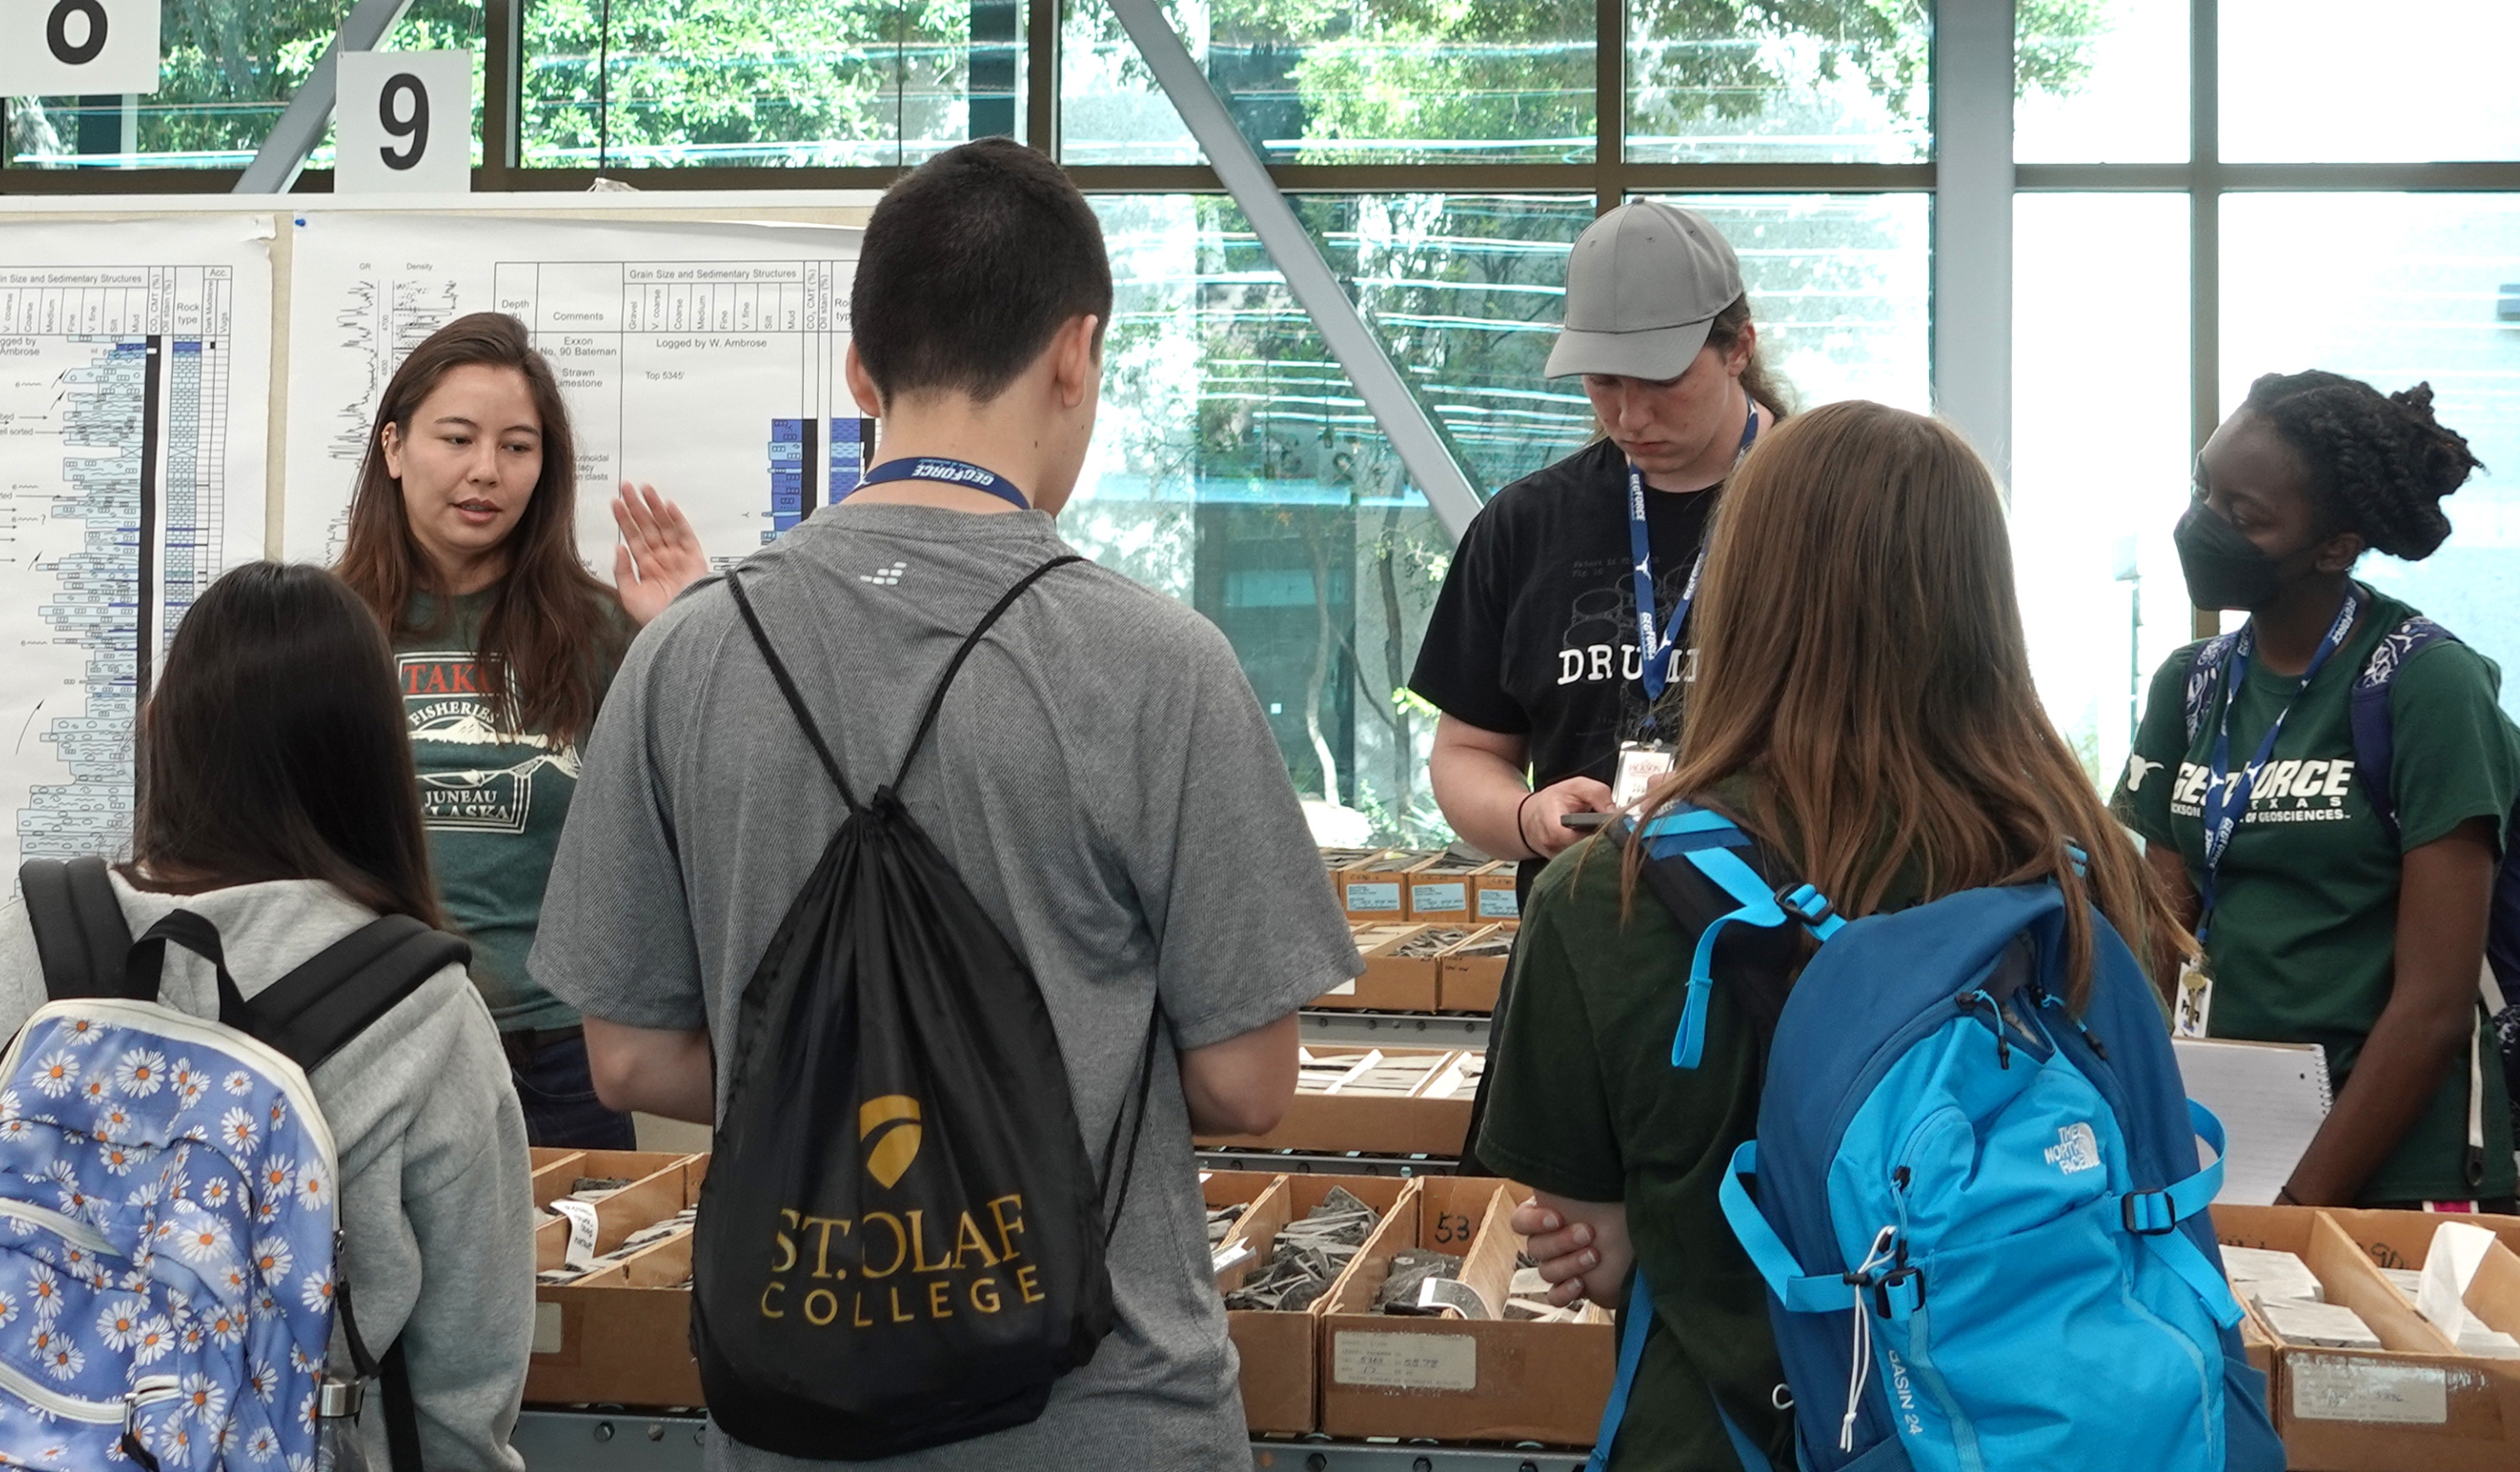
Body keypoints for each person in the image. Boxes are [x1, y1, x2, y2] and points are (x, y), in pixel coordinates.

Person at [529, 138, 1352, 1469]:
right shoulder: (1158, 663)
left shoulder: (686, 652)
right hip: (1101, 1411)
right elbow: (1250, 1081)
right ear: (1075, 353)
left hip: (798, 1399)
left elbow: (627, 1058)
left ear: (860, 371)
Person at [1476, 401, 2177, 1469]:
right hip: (2028, 1423)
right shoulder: (2079, 873)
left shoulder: (1600, 897)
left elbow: (1604, 1252)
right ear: (1984, 599)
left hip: (1722, 1433)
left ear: (1744, 588)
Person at [0, 561, 532, 1469]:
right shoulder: (423, 1012)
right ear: (377, 759)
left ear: (164, 732)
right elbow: (465, 1387)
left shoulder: (11, 955)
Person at [2113, 371, 2517, 1211]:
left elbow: (2434, 1006)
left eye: (2245, 516)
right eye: (2202, 491)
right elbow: (2158, 939)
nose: (2203, 527)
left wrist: (2297, 1207)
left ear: (2334, 545)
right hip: (2224, 1149)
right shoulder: (2191, 686)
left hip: (2397, 1176)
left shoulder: (2424, 685)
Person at [333, 312, 707, 1152]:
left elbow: (708, 813)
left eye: (516, 447)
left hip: (561, 1056)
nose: (484, 471)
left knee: (572, 1281)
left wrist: (679, 633)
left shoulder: (604, 630)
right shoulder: (324, 627)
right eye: (457, 438)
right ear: (393, 448)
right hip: (366, 1043)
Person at [1413, 200, 1792, 882]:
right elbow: (1465, 752)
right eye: (1603, 382)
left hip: (1797, 963)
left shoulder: (1842, 511)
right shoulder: (1524, 525)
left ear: (1739, 348)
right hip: (1587, 964)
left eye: (1663, 381)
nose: (1629, 415)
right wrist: (1528, 815)